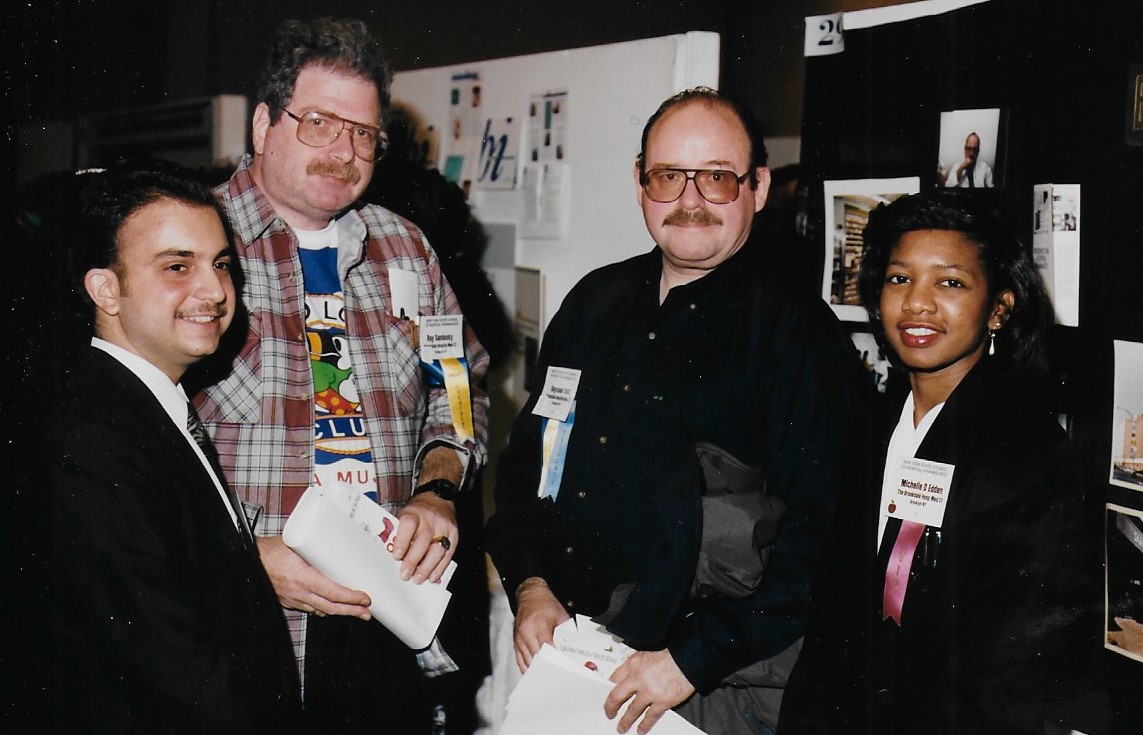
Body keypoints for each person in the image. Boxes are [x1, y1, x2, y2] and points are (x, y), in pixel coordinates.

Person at [485, 87, 863, 734]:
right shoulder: (592, 302)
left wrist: (690, 660)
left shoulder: (796, 334)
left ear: (758, 186)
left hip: (703, 686)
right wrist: (529, 583)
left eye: (716, 177)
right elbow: (527, 464)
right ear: (640, 183)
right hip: (567, 658)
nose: (689, 201)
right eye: (668, 176)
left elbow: (821, 539)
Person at [191, 17, 490, 734]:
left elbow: (460, 387)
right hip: (243, 624)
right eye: (319, 122)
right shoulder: (192, 241)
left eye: (362, 133)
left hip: (385, 612)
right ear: (263, 123)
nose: (344, 151)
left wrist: (439, 489)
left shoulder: (404, 247)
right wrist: (240, 558)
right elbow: (130, 451)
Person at [778, 189, 1109, 734]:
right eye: (899, 278)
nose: (917, 304)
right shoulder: (871, 424)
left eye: (949, 282)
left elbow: (1019, 673)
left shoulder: (1032, 453)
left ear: (999, 307)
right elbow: (833, 625)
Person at [50, 162, 302, 733]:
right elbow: (177, 674)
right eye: (176, 267)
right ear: (106, 289)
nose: (214, 290)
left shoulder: (152, 407)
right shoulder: (96, 445)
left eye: (219, 265)